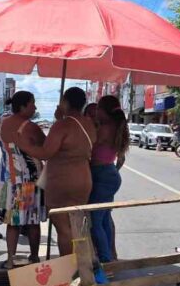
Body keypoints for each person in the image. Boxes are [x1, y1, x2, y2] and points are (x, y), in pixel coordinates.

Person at [16, 86, 96, 256]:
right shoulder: (89, 124)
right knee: (77, 226)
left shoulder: (62, 126)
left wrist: (25, 145)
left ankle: (68, 270)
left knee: (64, 228)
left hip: (62, 181)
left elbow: (46, 152)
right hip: (83, 178)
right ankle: (81, 266)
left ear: (65, 102)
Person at [0, 90, 47, 269]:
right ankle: (33, 258)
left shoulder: (3, 123)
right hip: (29, 180)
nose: (35, 107)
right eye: (32, 103)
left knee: (13, 222)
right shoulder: (30, 127)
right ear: (23, 106)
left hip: (9, 179)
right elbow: (46, 146)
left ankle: (10, 259)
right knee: (32, 222)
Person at [84, 97, 129, 263]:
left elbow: (87, 143)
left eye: (97, 110)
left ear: (103, 111)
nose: (95, 113)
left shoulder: (104, 128)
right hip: (108, 173)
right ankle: (108, 255)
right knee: (103, 220)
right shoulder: (114, 126)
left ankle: (105, 259)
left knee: (95, 222)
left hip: (102, 174)